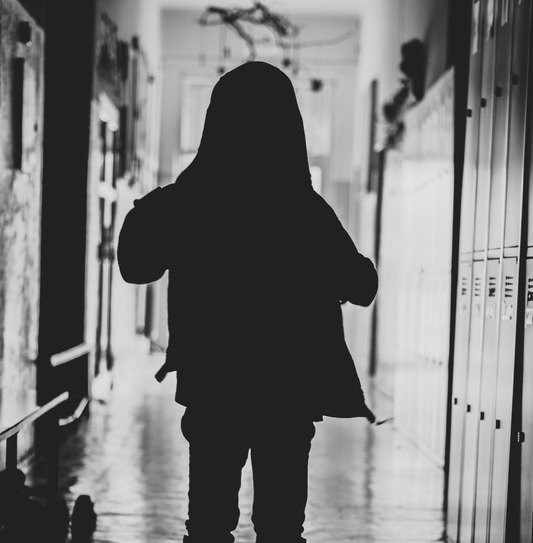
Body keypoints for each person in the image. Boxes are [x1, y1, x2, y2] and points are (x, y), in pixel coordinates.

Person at [117, 61, 378, 543]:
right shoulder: (304, 209)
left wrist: (158, 204)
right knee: (281, 528)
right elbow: (363, 286)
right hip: (287, 389)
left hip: (213, 385)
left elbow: (135, 266)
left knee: (207, 526)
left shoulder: (187, 201)